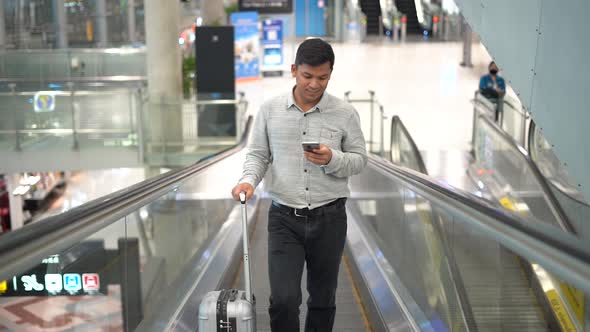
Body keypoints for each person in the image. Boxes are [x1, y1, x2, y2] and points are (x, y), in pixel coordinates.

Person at [231, 38, 368, 331]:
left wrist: (332, 158)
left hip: (330, 217)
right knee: (283, 298)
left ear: (331, 73)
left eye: (323, 77)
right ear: (294, 70)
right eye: (308, 76)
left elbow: (359, 160)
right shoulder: (270, 110)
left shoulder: (345, 113)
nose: (315, 84)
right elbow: (258, 155)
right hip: (284, 219)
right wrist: (247, 181)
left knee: (322, 298)